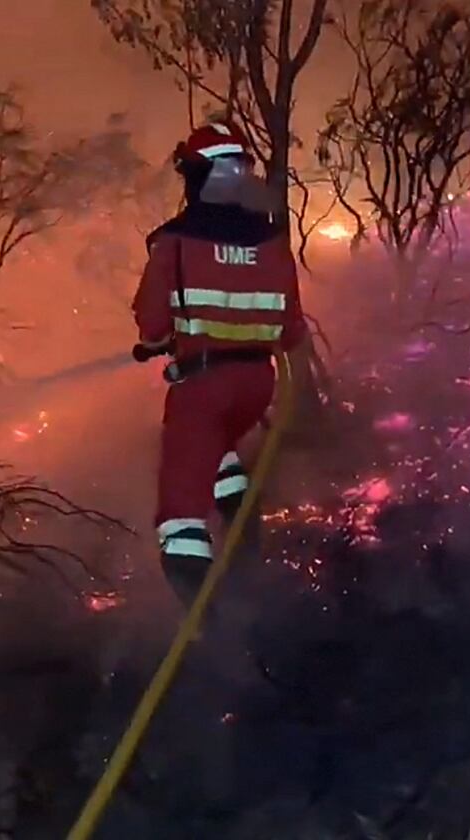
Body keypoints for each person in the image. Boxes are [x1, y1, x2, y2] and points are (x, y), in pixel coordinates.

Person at [130, 122, 308, 607]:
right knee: (217, 447)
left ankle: (209, 622)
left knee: (180, 516)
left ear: (195, 177)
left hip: (203, 386)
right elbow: (292, 331)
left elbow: (152, 326)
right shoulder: (272, 242)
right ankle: (242, 527)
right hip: (257, 386)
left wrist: (165, 339)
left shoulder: (175, 241)